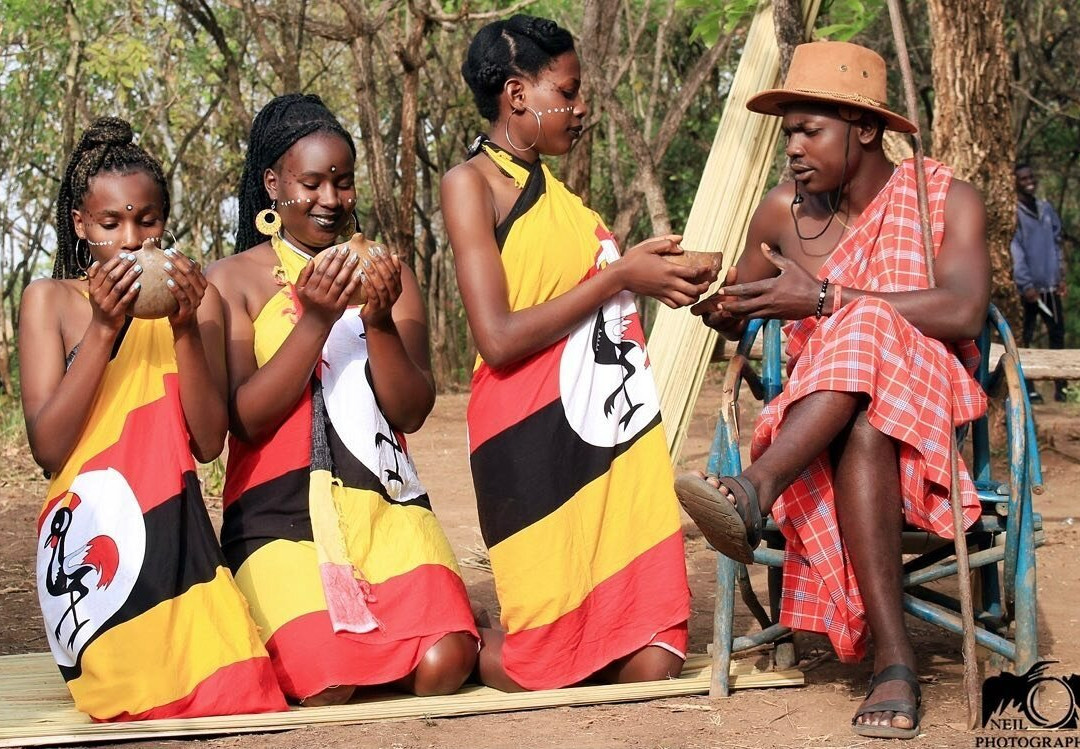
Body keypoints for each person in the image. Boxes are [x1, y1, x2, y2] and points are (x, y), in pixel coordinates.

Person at [676, 42, 990, 739]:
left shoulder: (946, 199)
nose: (791, 147)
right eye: (786, 130)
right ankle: (896, 663)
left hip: (927, 410)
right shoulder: (782, 213)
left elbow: (965, 310)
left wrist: (825, 296)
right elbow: (743, 306)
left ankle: (753, 489)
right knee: (864, 419)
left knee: (867, 324)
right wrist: (726, 308)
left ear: (866, 127)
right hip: (819, 424)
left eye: (809, 129)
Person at [442, 14, 711, 692]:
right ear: (517, 94)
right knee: (536, 668)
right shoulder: (469, 184)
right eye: (569, 89)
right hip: (523, 435)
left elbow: (596, 312)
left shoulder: (569, 204)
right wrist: (619, 277)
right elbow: (497, 338)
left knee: (654, 661)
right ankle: (475, 631)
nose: (581, 106)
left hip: (602, 431)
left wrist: (679, 275)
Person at [207, 94, 477, 705]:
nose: (331, 199)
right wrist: (318, 317)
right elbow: (244, 420)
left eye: (343, 182)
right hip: (278, 517)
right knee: (327, 683)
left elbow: (410, 410)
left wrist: (378, 318)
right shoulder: (234, 281)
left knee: (443, 665)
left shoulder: (388, 271)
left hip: (386, 505)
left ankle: (457, 622)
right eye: (312, 183)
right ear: (273, 184)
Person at [18, 117, 286, 720]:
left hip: (181, 535)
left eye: (148, 221)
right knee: (131, 699)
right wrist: (105, 326)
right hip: (89, 544)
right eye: (111, 224)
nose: (132, 239)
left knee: (238, 694)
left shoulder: (201, 301)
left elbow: (208, 440)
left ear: (165, 222)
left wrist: (185, 326)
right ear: (82, 226)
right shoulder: (51, 301)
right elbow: (49, 449)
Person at [1011, 163, 1068, 402]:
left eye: (1031, 176)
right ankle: (1029, 388)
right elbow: (1016, 250)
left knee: (1057, 334)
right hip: (1029, 291)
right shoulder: (1015, 212)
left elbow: (1056, 243)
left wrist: (1060, 277)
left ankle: (1062, 388)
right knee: (1026, 336)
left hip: (1050, 287)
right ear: (1016, 182)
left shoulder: (1045, 208)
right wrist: (1025, 285)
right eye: (1023, 178)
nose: (1029, 181)